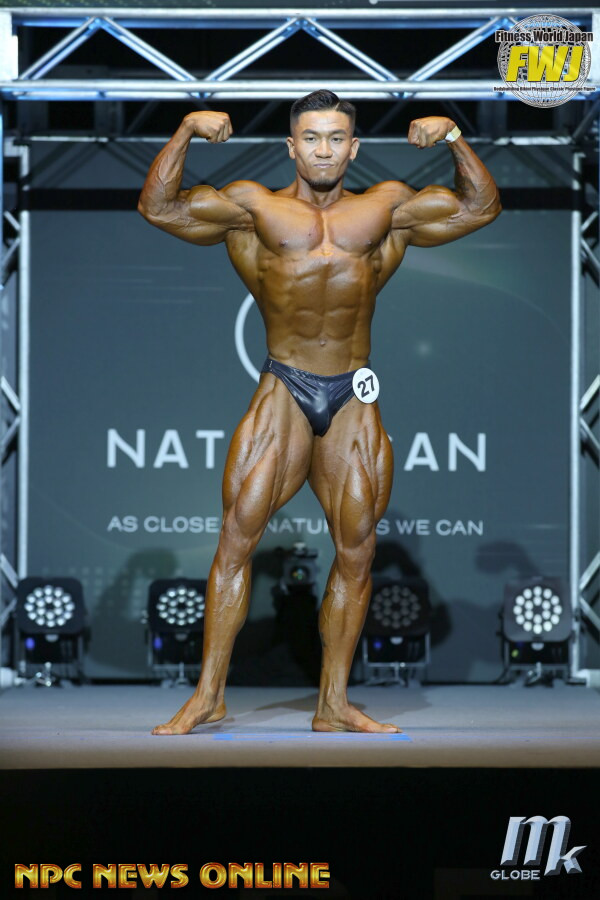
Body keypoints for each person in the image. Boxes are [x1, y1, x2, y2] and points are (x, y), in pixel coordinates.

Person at [138, 90, 501, 734]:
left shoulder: (386, 208)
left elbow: (480, 207)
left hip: (353, 392)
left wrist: (453, 137)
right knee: (236, 538)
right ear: (292, 145)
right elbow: (158, 207)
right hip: (285, 382)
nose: (324, 150)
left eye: (336, 138)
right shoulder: (254, 207)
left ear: (353, 147)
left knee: (357, 551)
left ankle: (333, 703)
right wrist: (187, 128)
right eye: (311, 138)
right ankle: (208, 695)